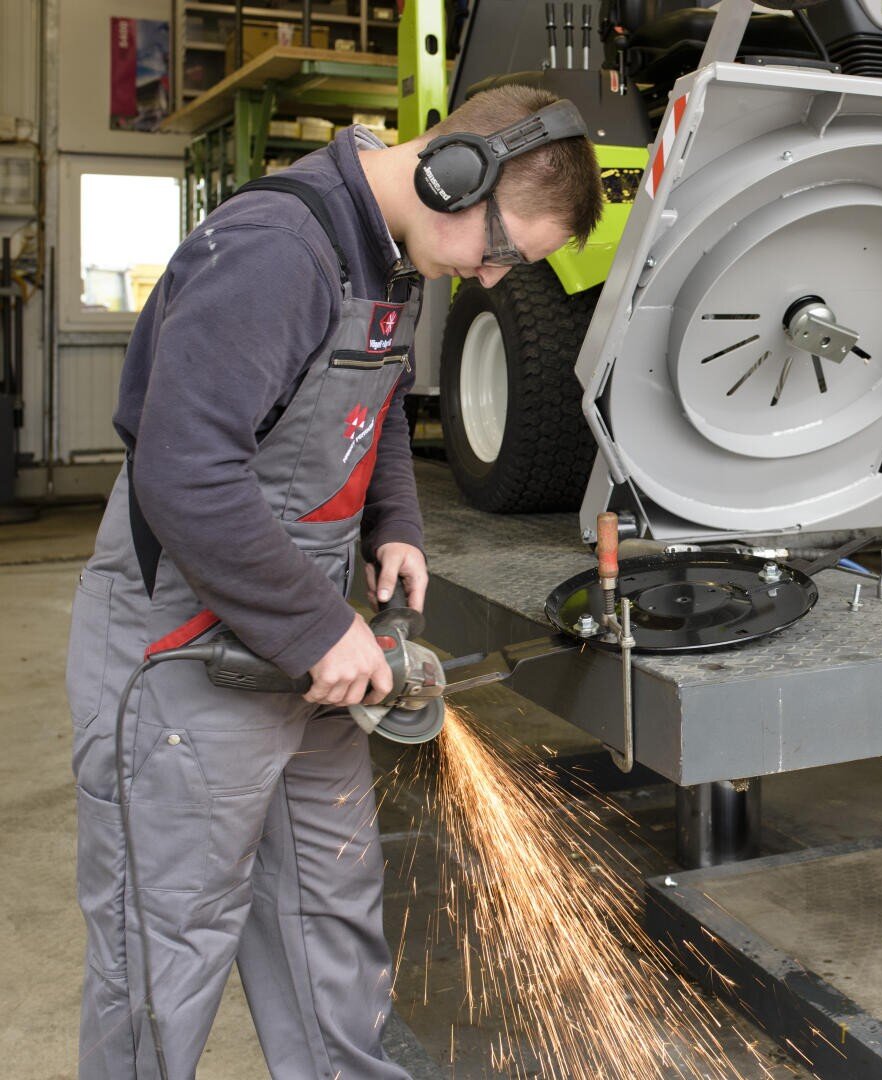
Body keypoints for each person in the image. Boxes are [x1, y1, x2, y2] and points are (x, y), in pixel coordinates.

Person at [65, 84, 603, 1078]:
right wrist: (318, 627)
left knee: (329, 917)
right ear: (455, 174)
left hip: (304, 641)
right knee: (167, 945)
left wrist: (395, 525)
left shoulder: (391, 256)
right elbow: (184, 470)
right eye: (500, 248)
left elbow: (377, 402)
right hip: (188, 645)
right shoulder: (277, 250)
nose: (492, 275)